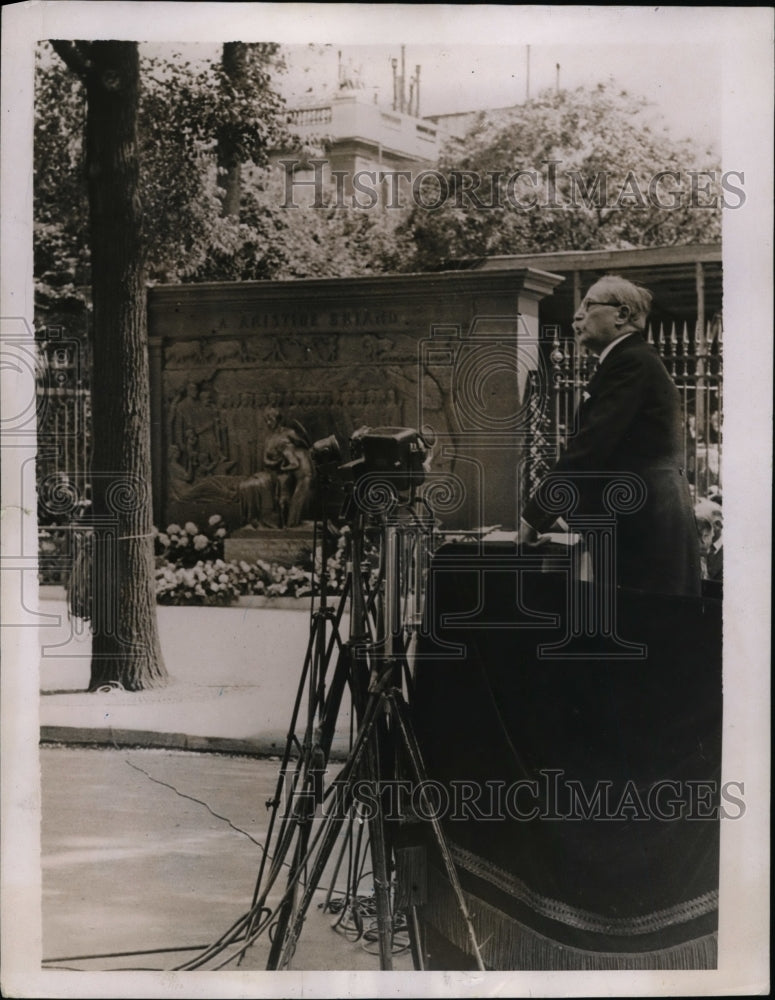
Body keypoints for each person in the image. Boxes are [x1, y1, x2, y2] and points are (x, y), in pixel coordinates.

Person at [518, 275, 701, 597]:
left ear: (622, 314)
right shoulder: (630, 361)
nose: (577, 315)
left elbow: (590, 447)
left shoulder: (629, 363)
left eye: (588, 305)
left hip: (643, 530)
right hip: (644, 524)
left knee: (644, 631)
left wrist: (535, 517)